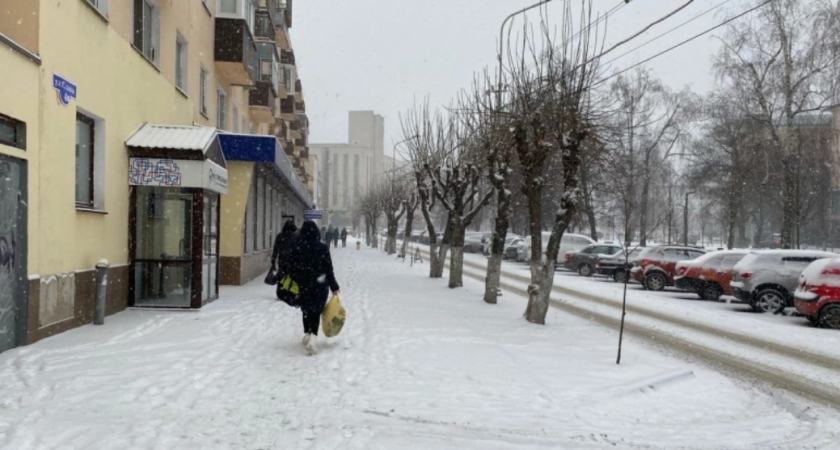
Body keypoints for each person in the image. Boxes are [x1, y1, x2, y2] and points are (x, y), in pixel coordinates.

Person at [288, 220, 340, 355]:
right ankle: (313, 339)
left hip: (302, 285)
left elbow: (291, 268)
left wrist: (295, 281)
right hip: (319, 284)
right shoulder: (323, 248)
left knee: (306, 309)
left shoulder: (297, 246)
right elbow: (329, 269)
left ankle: (307, 333)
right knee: (316, 311)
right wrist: (334, 286)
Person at [271, 220, 298, 300]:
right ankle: (290, 292)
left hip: (282, 259)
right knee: (292, 277)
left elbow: (276, 249)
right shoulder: (296, 236)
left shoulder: (280, 236)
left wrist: (273, 259)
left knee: (281, 276)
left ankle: (280, 292)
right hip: (293, 261)